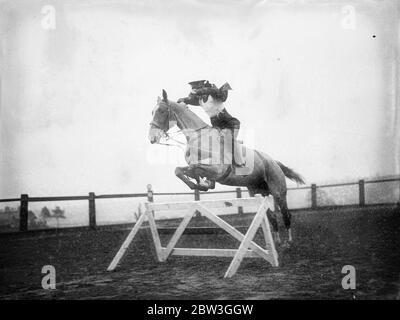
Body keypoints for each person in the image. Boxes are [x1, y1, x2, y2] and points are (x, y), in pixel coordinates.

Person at [178, 80, 245, 167]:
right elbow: (188, 99)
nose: (195, 93)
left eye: (196, 90)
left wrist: (198, 91)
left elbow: (215, 93)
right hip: (217, 127)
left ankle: (241, 164)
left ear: (202, 88)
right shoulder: (200, 100)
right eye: (193, 90)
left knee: (228, 139)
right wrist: (180, 101)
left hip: (229, 124)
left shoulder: (213, 93)